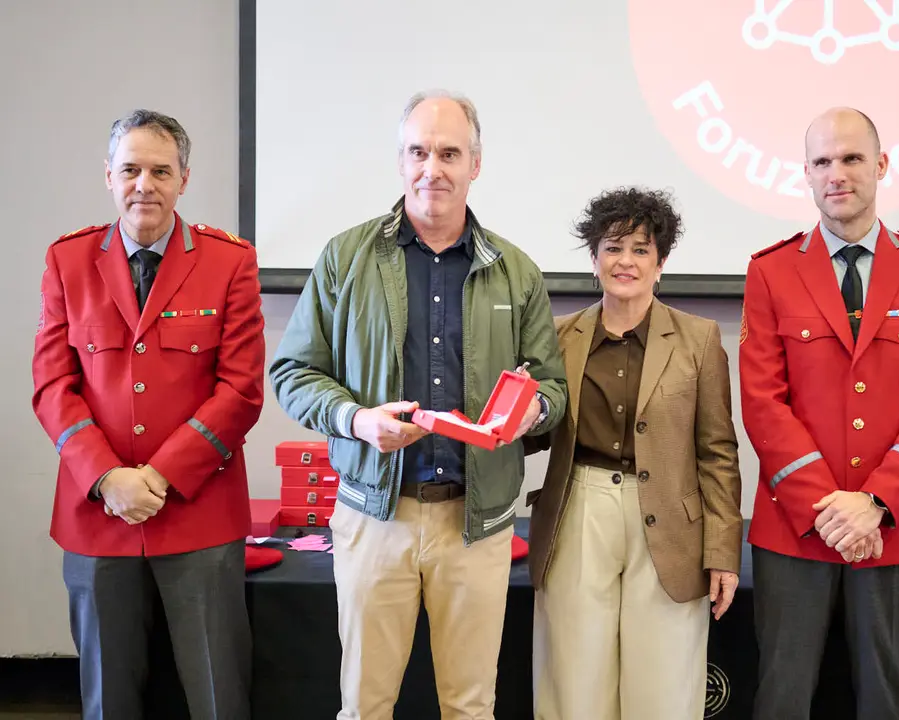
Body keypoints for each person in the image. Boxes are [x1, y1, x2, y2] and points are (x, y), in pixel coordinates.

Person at [269, 90, 568, 720]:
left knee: (470, 707)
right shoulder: (345, 258)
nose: (433, 168)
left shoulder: (516, 271)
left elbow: (553, 389)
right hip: (375, 518)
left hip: (476, 526)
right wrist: (357, 420)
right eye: (419, 152)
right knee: (365, 706)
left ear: (475, 165)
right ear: (401, 161)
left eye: (449, 153)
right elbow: (293, 372)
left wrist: (532, 412)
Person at [31, 109, 266, 719]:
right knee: (107, 698)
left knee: (218, 695)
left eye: (161, 171)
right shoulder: (68, 261)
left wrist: (158, 477)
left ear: (184, 179)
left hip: (198, 511)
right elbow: (53, 385)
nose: (145, 185)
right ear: (108, 176)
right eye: (131, 169)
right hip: (97, 512)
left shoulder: (229, 261)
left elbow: (241, 390)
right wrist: (108, 478)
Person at [738, 107, 899, 719]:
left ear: (882, 165)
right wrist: (830, 508)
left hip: (894, 524)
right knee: (782, 698)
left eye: (851, 158)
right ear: (806, 174)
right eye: (822, 162)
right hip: (795, 526)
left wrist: (876, 503)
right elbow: (763, 401)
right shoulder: (770, 271)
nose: (836, 173)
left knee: (888, 698)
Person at [524, 187, 743, 719]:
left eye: (641, 250)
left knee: (664, 682)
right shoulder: (558, 337)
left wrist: (723, 552)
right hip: (580, 507)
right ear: (594, 258)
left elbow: (717, 452)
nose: (626, 261)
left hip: (672, 519)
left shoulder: (698, 339)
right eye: (613, 248)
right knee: (574, 677)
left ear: (660, 263)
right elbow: (534, 431)